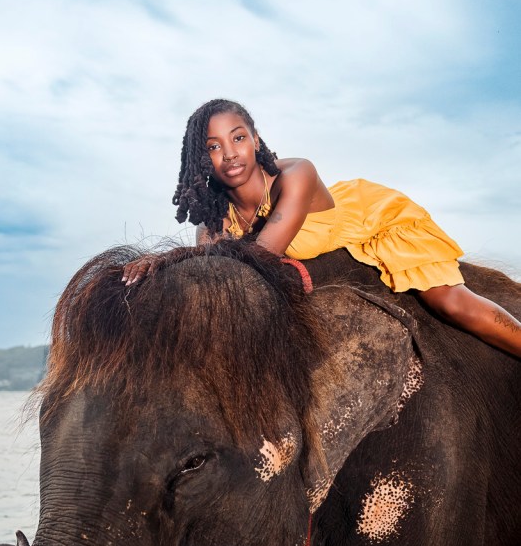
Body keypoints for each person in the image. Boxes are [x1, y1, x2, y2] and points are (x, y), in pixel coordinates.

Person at [122, 98, 521, 356]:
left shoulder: (297, 175)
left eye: (238, 137)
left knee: (449, 302)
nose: (230, 153)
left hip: (375, 221)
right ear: (201, 158)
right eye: (213, 146)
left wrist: (180, 258)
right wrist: (159, 264)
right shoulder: (217, 217)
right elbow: (209, 270)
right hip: (332, 243)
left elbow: (258, 257)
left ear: (255, 139)